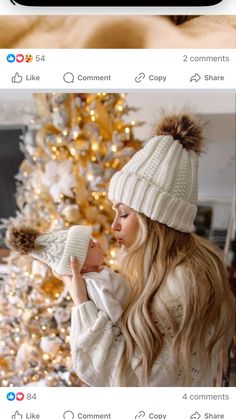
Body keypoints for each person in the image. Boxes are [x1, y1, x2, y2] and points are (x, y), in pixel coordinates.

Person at [59, 112, 235, 387]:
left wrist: (81, 303)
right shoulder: (156, 272)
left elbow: (127, 378)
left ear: (155, 220)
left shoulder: (185, 283)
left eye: (125, 214)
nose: (114, 225)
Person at [5, 224, 129, 324]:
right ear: (80, 264)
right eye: (92, 246)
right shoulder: (94, 283)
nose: (98, 244)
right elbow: (115, 315)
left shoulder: (100, 273)